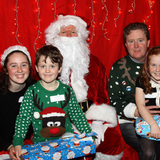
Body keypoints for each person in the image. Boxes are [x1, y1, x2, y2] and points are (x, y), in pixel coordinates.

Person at [45, 15, 124, 159]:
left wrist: (98, 123)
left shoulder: (94, 63)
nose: (69, 36)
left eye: (73, 32)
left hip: (90, 116)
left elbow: (102, 95)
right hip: (58, 119)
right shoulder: (46, 65)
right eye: (64, 32)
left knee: (112, 141)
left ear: (80, 36)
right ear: (56, 36)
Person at [13, 45, 92, 159]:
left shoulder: (67, 90)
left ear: (59, 68)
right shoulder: (32, 92)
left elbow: (77, 115)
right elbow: (23, 118)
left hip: (66, 142)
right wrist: (18, 141)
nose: (48, 70)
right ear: (36, 68)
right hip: (41, 144)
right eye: (43, 66)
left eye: (52, 66)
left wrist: (89, 134)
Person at [108, 22, 160, 159]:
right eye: (131, 41)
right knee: (150, 148)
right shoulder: (118, 68)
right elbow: (114, 101)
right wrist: (137, 111)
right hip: (129, 121)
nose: (136, 45)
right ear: (126, 45)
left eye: (140, 40)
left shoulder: (157, 63)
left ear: (148, 42)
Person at [0, 45, 35, 159]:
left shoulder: (36, 89)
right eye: (13, 66)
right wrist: (8, 146)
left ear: (29, 68)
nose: (20, 70)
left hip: (29, 146)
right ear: (6, 69)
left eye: (23, 65)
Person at [135, 46, 160, 160]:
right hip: (148, 123)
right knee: (149, 153)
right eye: (153, 65)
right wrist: (153, 125)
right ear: (147, 66)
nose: (157, 69)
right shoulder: (141, 81)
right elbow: (140, 105)